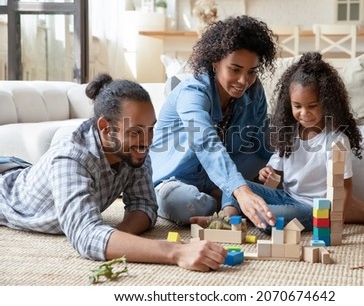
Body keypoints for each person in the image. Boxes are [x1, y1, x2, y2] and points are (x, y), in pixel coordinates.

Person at [0, 73, 226, 272]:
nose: (147, 141)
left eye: (150, 129)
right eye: (136, 132)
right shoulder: (70, 156)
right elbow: (85, 237)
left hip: (22, 169)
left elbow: (145, 206)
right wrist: (176, 252)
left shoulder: (135, 150)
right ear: (105, 129)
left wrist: (120, 237)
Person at [221, 52, 364, 231]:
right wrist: (265, 172)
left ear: (327, 103)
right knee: (235, 186)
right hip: (286, 196)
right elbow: (274, 173)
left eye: (312, 106)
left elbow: (345, 187)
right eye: (297, 106)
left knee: (269, 218)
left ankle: (241, 216)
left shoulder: (335, 139)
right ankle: (227, 220)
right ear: (289, 103)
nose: (304, 113)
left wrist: (336, 222)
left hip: (314, 207)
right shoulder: (289, 133)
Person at [149, 15, 277, 229]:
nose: (244, 81)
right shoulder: (192, 92)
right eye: (235, 69)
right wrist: (241, 190)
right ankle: (229, 201)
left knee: (266, 157)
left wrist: (280, 168)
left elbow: (262, 141)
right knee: (186, 204)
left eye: (251, 71)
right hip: (177, 178)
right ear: (215, 62)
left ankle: (227, 199)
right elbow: (206, 142)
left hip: (222, 172)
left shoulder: (254, 91)